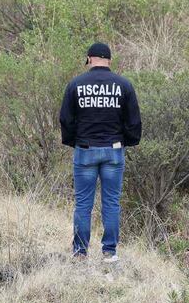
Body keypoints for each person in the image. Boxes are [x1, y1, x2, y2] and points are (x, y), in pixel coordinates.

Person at [59, 43, 141, 262]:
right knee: (111, 203)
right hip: (114, 150)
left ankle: (80, 253)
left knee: (83, 204)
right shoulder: (124, 85)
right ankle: (109, 252)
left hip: (84, 149)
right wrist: (129, 141)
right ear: (109, 60)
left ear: (89, 59)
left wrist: (72, 141)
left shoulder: (75, 84)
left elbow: (65, 119)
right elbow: (133, 121)